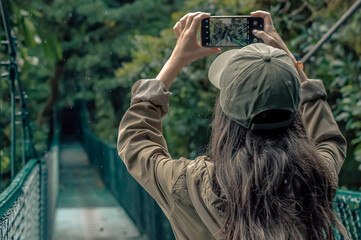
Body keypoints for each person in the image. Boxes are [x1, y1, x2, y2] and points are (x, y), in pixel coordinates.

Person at [117, 10, 349, 240]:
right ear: (294, 106)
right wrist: (289, 63)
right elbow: (328, 139)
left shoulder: (191, 185)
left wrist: (175, 61)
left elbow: (135, 141)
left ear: (224, 112)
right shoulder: (316, 176)